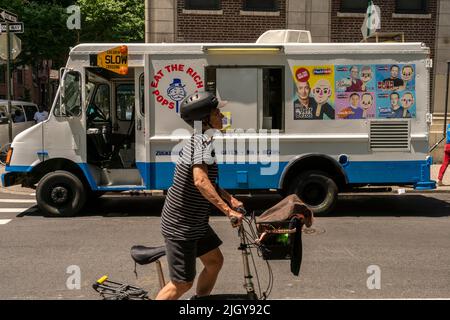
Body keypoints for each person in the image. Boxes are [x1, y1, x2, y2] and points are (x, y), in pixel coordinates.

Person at [156, 91, 244, 300]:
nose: (222, 116)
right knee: (182, 283)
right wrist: (228, 211)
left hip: (195, 222)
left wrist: (229, 198)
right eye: (217, 112)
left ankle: (199, 303)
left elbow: (208, 181)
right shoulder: (200, 143)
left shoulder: (204, 140)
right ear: (205, 119)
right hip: (181, 225)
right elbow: (200, 181)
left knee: (214, 262)